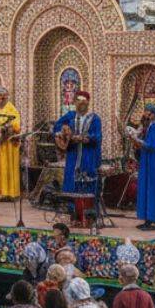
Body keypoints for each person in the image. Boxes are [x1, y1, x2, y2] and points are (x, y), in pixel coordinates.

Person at [53, 91, 101, 225]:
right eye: (78, 100)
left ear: (88, 103)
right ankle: (73, 216)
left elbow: (97, 137)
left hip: (87, 156)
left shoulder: (94, 119)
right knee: (71, 184)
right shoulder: (69, 116)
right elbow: (56, 127)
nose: (81, 103)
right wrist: (63, 131)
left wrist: (84, 138)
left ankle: (88, 217)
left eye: (84, 101)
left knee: (87, 185)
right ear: (74, 102)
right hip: (73, 156)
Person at [130, 104, 155, 230]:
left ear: (153, 114)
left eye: (147, 112)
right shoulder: (150, 127)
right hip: (148, 162)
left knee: (153, 190)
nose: (145, 114)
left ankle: (154, 220)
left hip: (154, 164)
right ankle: (148, 219)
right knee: (147, 189)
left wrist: (138, 142)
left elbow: (152, 146)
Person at [0, 87, 22, 201]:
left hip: (8, 142)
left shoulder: (12, 109)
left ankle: (10, 193)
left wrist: (8, 127)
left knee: (9, 166)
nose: (0, 100)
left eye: (2, 97)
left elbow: (16, 124)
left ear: (6, 97)